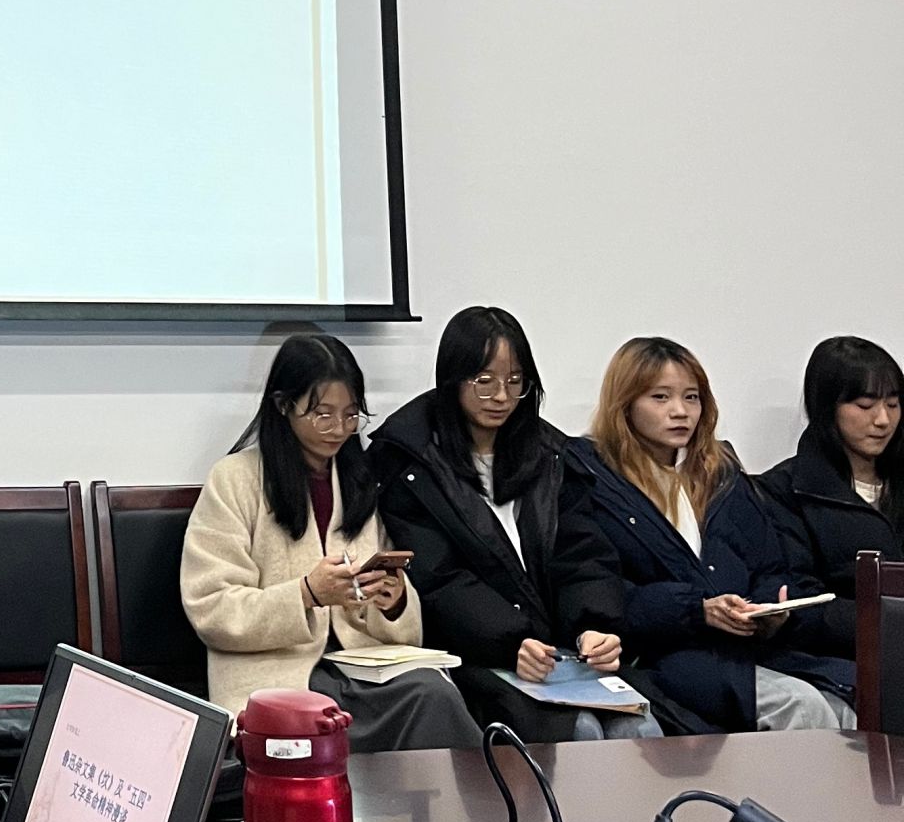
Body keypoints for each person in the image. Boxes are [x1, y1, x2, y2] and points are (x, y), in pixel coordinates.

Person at [375, 305, 663, 742]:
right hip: (474, 655)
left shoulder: (549, 454)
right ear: (453, 379)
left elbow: (583, 555)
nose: (502, 397)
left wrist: (594, 626)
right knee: (580, 732)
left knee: (640, 727)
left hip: (561, 655)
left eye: (515, 381)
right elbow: (440, 580)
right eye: (484, 381)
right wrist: (511, 642)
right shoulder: (411, 463)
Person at [181, 331, 481, 750]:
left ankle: (482, 793)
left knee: (433, 693)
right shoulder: (234, 480)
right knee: (321, 724)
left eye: (351, 414)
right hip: (279, 680)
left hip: (358, 670)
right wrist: (306, 594)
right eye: (322, 414)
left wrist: (392, 601)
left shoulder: (358, 480)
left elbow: (402, 622)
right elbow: (211, 607)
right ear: (283, 405)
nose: (339, 429)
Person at [579, 335, 855, 733]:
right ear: (625, 404)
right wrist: (698, 609)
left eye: (691, 398)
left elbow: (771, 566)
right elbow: (606, 592)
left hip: (748, 648)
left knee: (851, 702)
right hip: (664, 656)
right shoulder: (594, 480)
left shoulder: (721, 473)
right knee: (802, 706)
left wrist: (770, 612)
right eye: (660, 398)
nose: (680, 412)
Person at [756, 335, 904, 661]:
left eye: (893, 404)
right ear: (826, 408)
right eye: (864, 406)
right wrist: (892, 625)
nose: (883, 420)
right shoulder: (784, 491)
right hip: (848, 659)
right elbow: (802, 604)